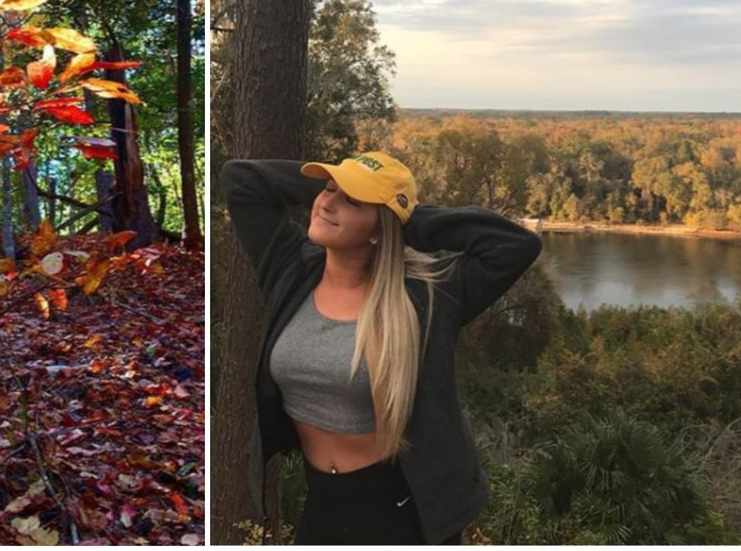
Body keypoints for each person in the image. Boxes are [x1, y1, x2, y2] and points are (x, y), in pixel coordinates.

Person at [221, 151, 543, 545]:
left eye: (351, 200)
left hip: (403, 511)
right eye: (327, 189)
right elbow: (240, 180)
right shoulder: (289, 269)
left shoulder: (427, 299)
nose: (327, 202)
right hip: (321, 503)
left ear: (380, 227)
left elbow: (514, 245)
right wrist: (343, 190)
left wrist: (401, 218)